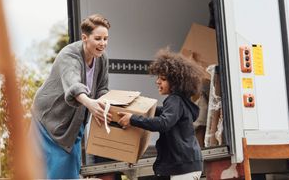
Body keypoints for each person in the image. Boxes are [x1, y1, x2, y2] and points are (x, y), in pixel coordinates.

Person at [29, 14, 112, 179]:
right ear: (84, 38)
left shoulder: (102, 59)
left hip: (74, 119)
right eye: (98, 39)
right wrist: (90, 104)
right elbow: (73, 86)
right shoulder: (69, 55)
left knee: (69, 168)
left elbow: (102, 88)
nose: (103, 44)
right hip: (49, 118)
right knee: (44, 170)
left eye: (105, 38)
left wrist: (104, 105)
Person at [118, 48, 204, 180]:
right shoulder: (181, 102)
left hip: (182, 169)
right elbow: (161, 112)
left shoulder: (174, 100)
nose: (157, 81)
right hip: (186, 165)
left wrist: (133, 119)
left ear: (176, 82)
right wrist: (143, 108)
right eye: (158, 77)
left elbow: (163, 123)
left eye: (163, 79)